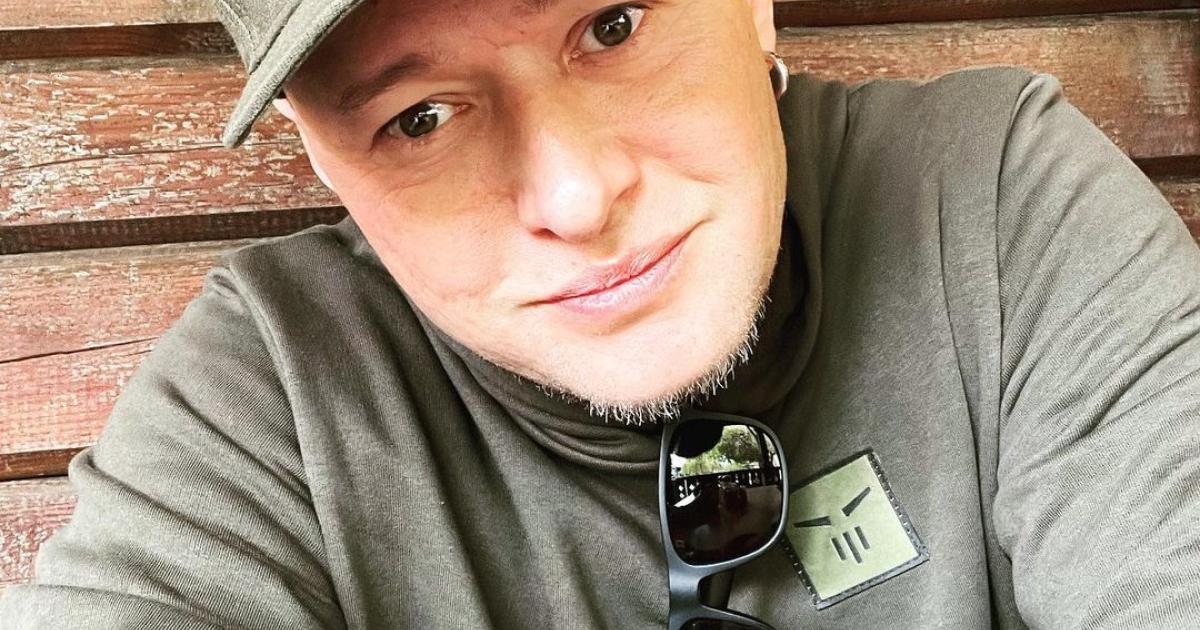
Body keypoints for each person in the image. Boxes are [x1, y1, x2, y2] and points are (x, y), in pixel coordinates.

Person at [2, 0, 1199, 627]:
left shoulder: (987, 199)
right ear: (323, 157)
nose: (576, 198)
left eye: (614, 23)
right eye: (419, 118)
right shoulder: (270, 397)